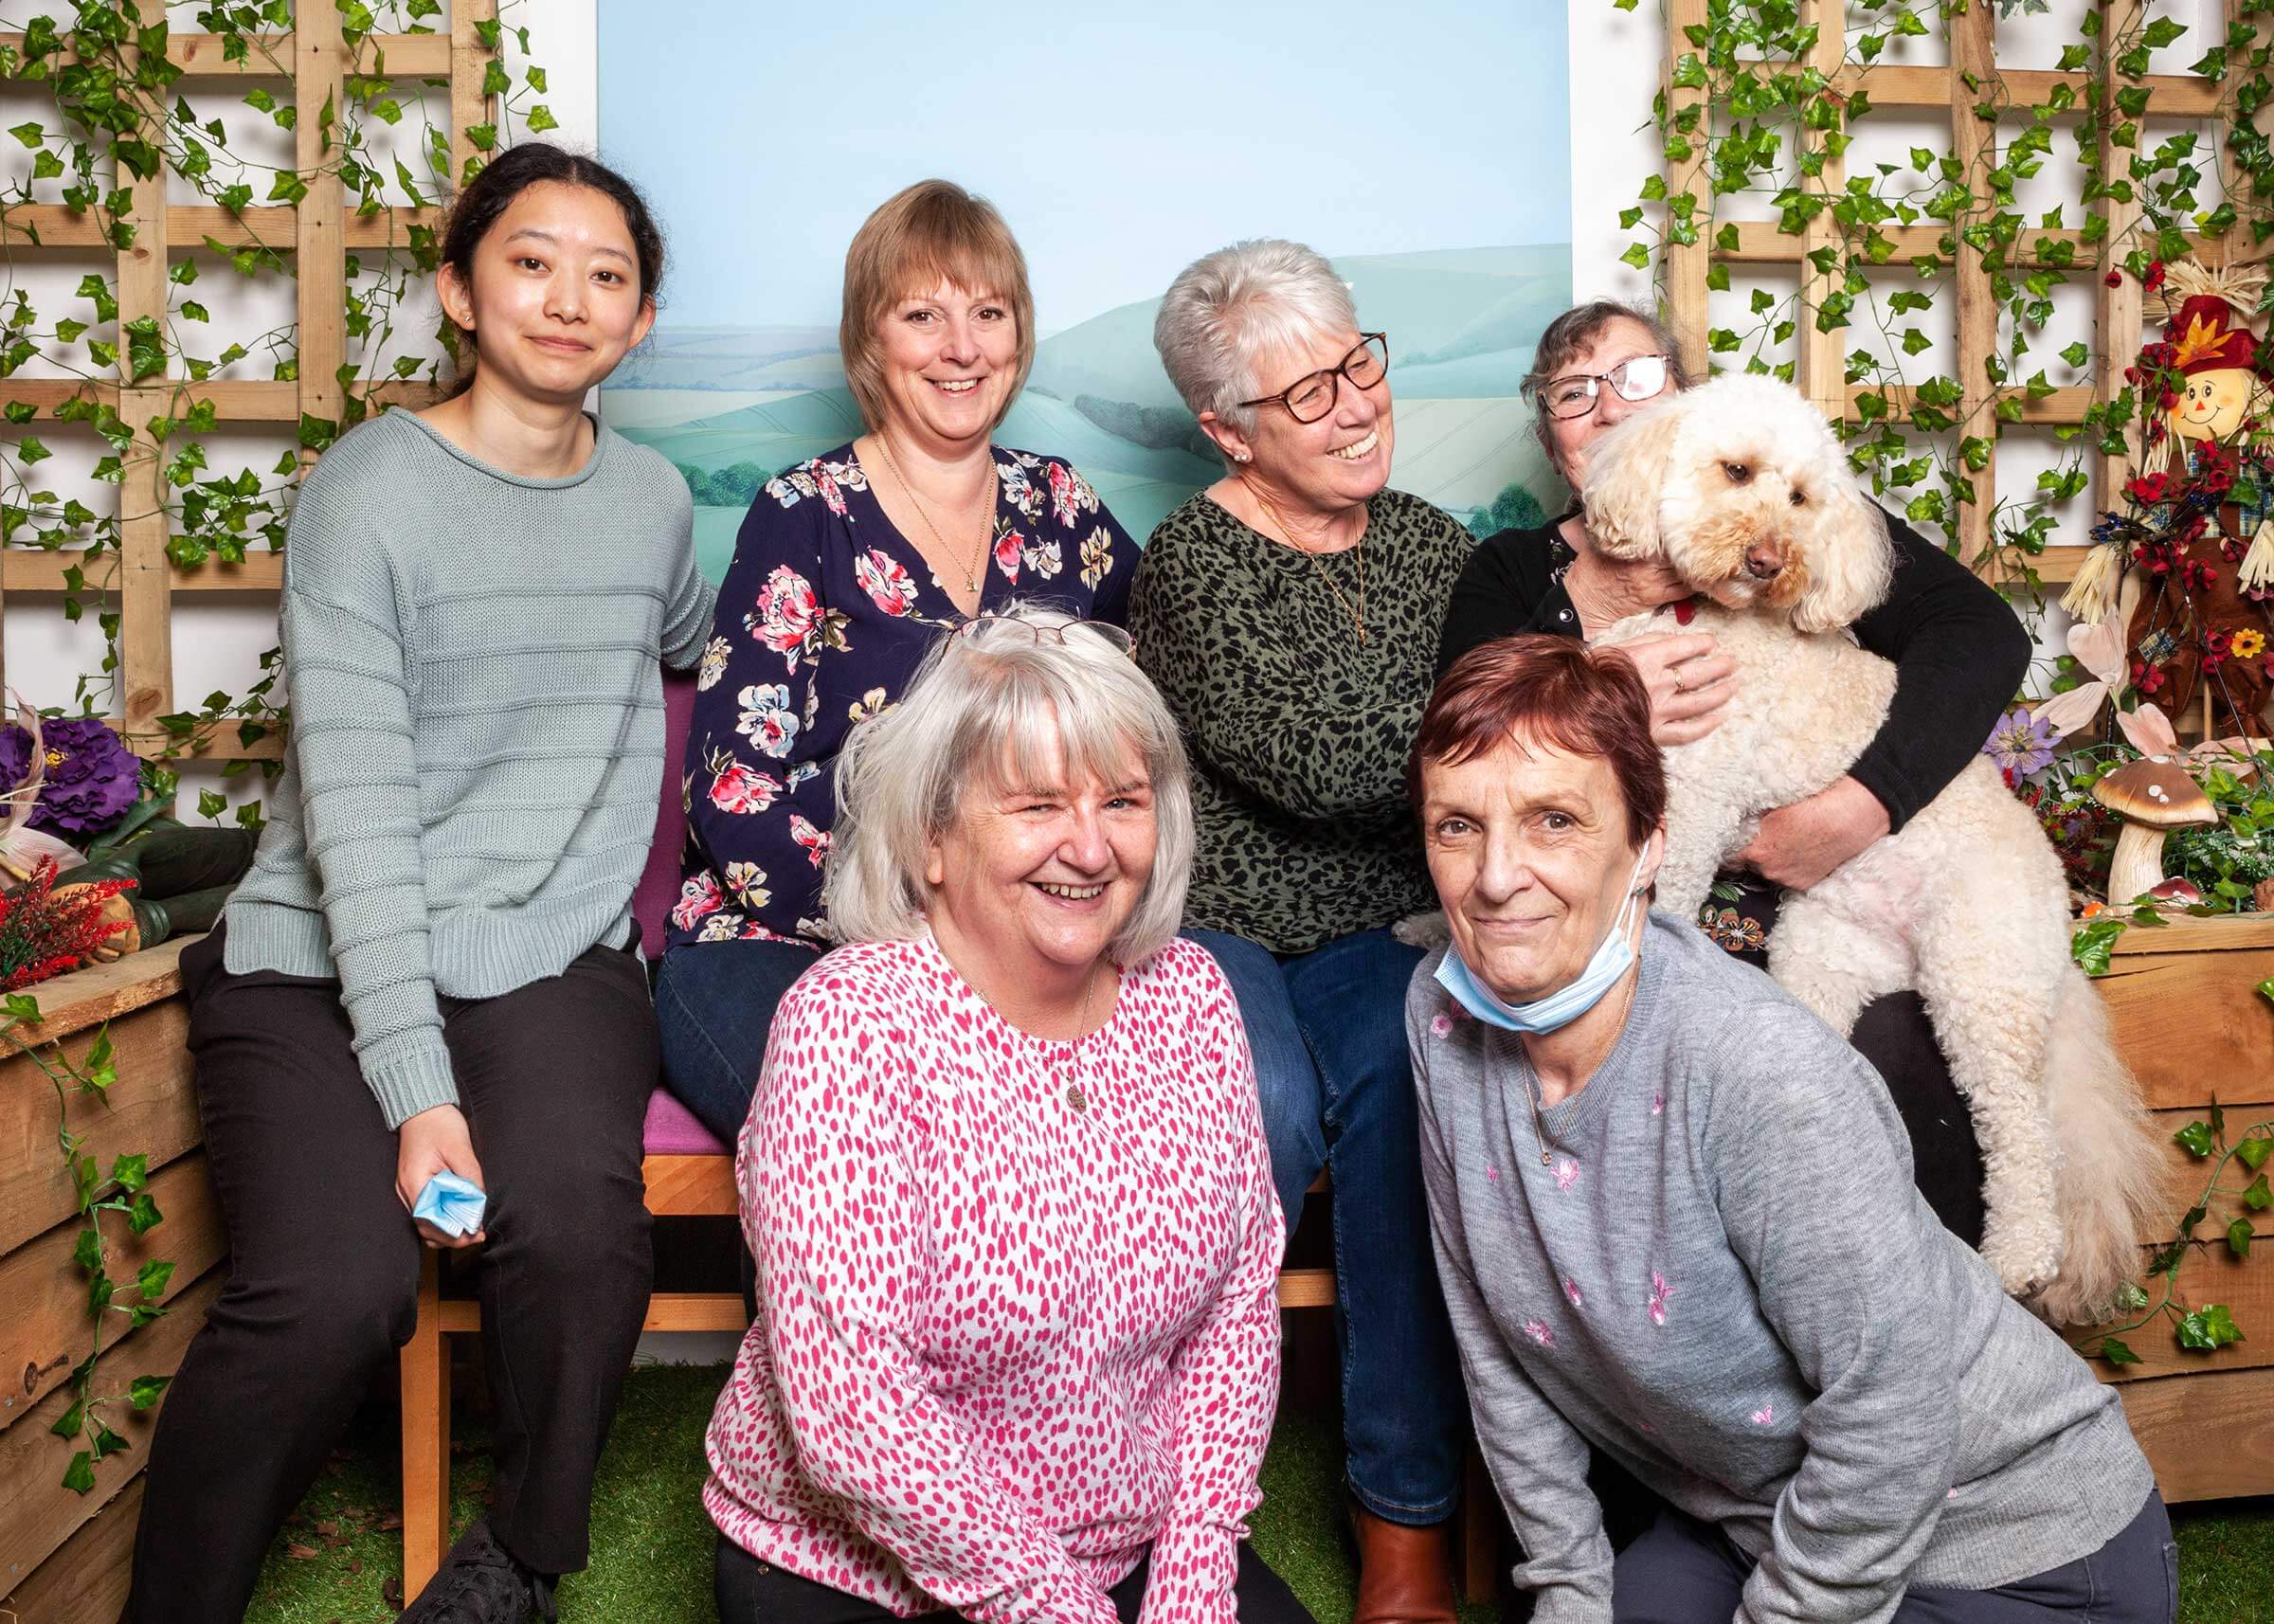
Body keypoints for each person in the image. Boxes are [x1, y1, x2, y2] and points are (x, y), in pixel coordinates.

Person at [125, 146, 712, 1624]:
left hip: (545, 949)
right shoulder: (365, 491)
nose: (568, 298)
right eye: (530, 260)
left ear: (640, 321)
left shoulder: (650, 504)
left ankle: (517, 1558)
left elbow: (699, 641)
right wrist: (420, 1089)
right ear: (458, 287)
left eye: (608, 274)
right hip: (325, 955)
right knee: (336, 1292)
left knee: (579, 1224)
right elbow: (361, 821)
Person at [1408, 636, 2174, 1624]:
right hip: (1760, 1519)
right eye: (1457, 826)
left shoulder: (1761, 1069)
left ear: (1648, 843)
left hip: (2017, 1543)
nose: (1496, 877)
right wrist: (1568, 1590)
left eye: (1554, 819)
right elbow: (1495, 1336)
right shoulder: (1440, 1015)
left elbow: (1891, 1415)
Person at [703, 604, 1310, 1624]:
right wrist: (1054, 1607)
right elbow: (854, 1405)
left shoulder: (1194, 996)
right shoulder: (849, 1026)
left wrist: (1195, 1579)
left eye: (1122, 800)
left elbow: (1235, 1313)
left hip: (1127, 1545)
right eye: (1035, 805)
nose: (1089, 845)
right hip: (858, 1563)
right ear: (932, 839)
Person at [1435, 300, 2033, 1244]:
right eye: (1573, 392)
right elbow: (1461, 737)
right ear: (1550, 436)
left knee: (1895, 1051)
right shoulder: (1512, 571)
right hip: (1617, 923)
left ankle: (1923, 1346)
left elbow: (1983, 633)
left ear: (1687, 402)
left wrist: (1857, 808)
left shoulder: (1789, 523)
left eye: (1637, 377)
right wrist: (1591, 661)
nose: (1609, 406)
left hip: (1812, 907)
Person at [656, 178, 1141, 1148]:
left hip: (1018, 936)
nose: (962, 348)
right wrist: (923, 925)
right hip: (783, 939)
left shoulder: (1062, 506)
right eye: (924, 314)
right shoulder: (803, 512)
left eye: (988, 314)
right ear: (870, 340)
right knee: (891, 1143)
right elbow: (733, 794)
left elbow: (1155, 701)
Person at [1131, 239, 1471, 1622]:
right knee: (1254, 1103)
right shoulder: (1191, 561)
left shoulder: (1440, 544)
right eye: (1305, 393)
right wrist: (1484, 710)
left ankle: (1404, 1518)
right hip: (1218, 924)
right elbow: (1324, 761)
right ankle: (1167, 1493)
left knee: (1414, 1084)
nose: (1353, 405)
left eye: (1357, 365)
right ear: (1226, 429)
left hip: (1385, 926)